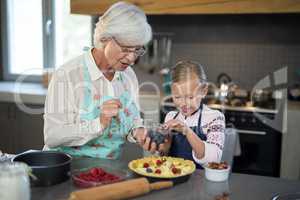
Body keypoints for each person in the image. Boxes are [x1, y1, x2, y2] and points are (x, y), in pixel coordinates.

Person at [43, 1, 158, 159]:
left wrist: (137, 132)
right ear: (105, 39)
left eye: (137, 49)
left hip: (107, 171)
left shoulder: (128, 75)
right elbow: (52, 136)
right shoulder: (67, 75)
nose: (132, 58)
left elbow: (133, 121)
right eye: (125, 48)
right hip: (64, 169)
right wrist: (100, 123)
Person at [161, 60, 225, 168]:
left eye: (190, 97)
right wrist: (163, 145)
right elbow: (164, 157)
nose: (183, 104)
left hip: (200, 182)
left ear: (204, 91)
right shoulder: (171, 117)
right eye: (177, 97)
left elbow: (213, 160)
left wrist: (186, 130)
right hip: (174, 178)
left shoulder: (214, 118)